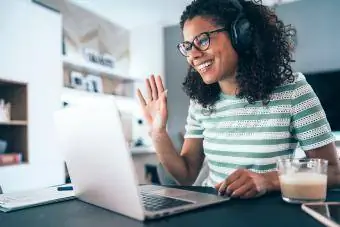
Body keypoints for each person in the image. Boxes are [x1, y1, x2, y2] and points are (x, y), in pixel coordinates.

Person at [137, 0, 340, 198]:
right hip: (212, 210)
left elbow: (334, 172)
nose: (193, 55)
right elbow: (187, 175)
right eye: (188, 46)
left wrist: (268, 180)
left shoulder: (293, 91)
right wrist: (157, 133)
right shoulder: (200, 101)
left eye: (203, 40)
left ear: (240, 35)